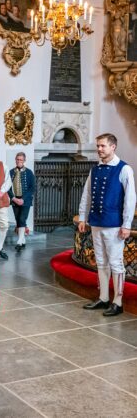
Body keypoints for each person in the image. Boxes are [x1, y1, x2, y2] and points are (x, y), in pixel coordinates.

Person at [79, 133, 136, 316]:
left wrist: (127, 224)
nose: (99, 149)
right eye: (98, 146)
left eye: (102, 146)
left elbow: (130, 199)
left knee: (116, 264)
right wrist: (82, 217)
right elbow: (86, 195)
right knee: (101, 262)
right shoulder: (94, 169)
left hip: (114, 225)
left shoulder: (124, 169)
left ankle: (117, 302)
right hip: (96, 222)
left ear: (113, 147)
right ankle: (103, 298)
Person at [8, 152, 35, 251]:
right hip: (14, 200)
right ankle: (23, 241)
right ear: (15, 160)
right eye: (17, 159)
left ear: (24, 161)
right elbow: (7, 187)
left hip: (25, 201)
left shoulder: (29, 172)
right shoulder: (10, 172)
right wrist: (13, 198)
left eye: (21, 160)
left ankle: (19, 242)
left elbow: (32, 188)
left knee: (22, 219)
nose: (19, 161)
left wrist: (23, 199)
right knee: (18, 220)